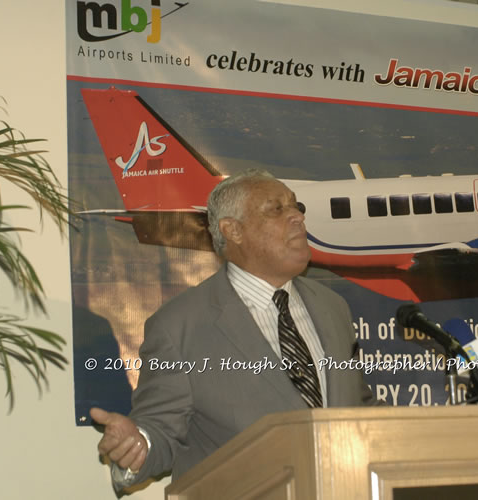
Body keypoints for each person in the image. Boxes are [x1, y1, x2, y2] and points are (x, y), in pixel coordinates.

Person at [90, 169, 376, 488]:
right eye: (276, 209)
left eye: (297, 207)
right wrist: (138, 446)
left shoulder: (332, 307)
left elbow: (358, 406)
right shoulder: (179, 326)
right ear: (233, 230)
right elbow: (161, 429)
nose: (297, 216)